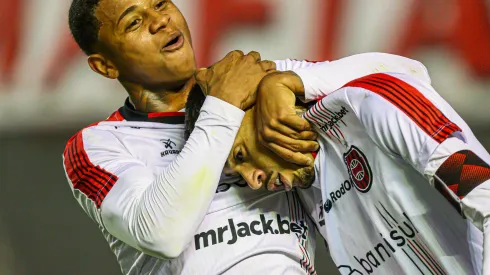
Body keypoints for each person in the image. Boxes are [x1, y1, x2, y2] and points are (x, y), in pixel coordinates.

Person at [63, 0, 434, 274]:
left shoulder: (261, 83)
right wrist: (223, 107)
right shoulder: (100, 144)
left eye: (161, 4)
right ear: (105, 65)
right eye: (134, 22)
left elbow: (410, 75)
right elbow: (161, 233)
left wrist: (290, 82)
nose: (160, 21)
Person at [185, 67, 490, 274]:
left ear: (259, 106)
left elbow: (484, 196)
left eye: (240, 154)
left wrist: (277, 80)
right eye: (238, 174)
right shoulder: (305, 196)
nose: (252, 180)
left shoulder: (373, 104)